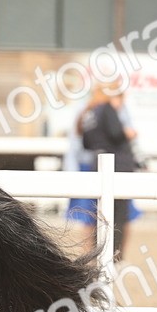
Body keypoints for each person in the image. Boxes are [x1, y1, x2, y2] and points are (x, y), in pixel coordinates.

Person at [64, 87, 137, 261]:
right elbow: (116, 134)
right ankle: (114, 257)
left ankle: (95, 257)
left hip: (94, 165)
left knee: (95, 216)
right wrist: (128, 134)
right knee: (119, 215)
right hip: (116, 166)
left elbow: (84, 143)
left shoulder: (88, 112)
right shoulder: (107, 109)